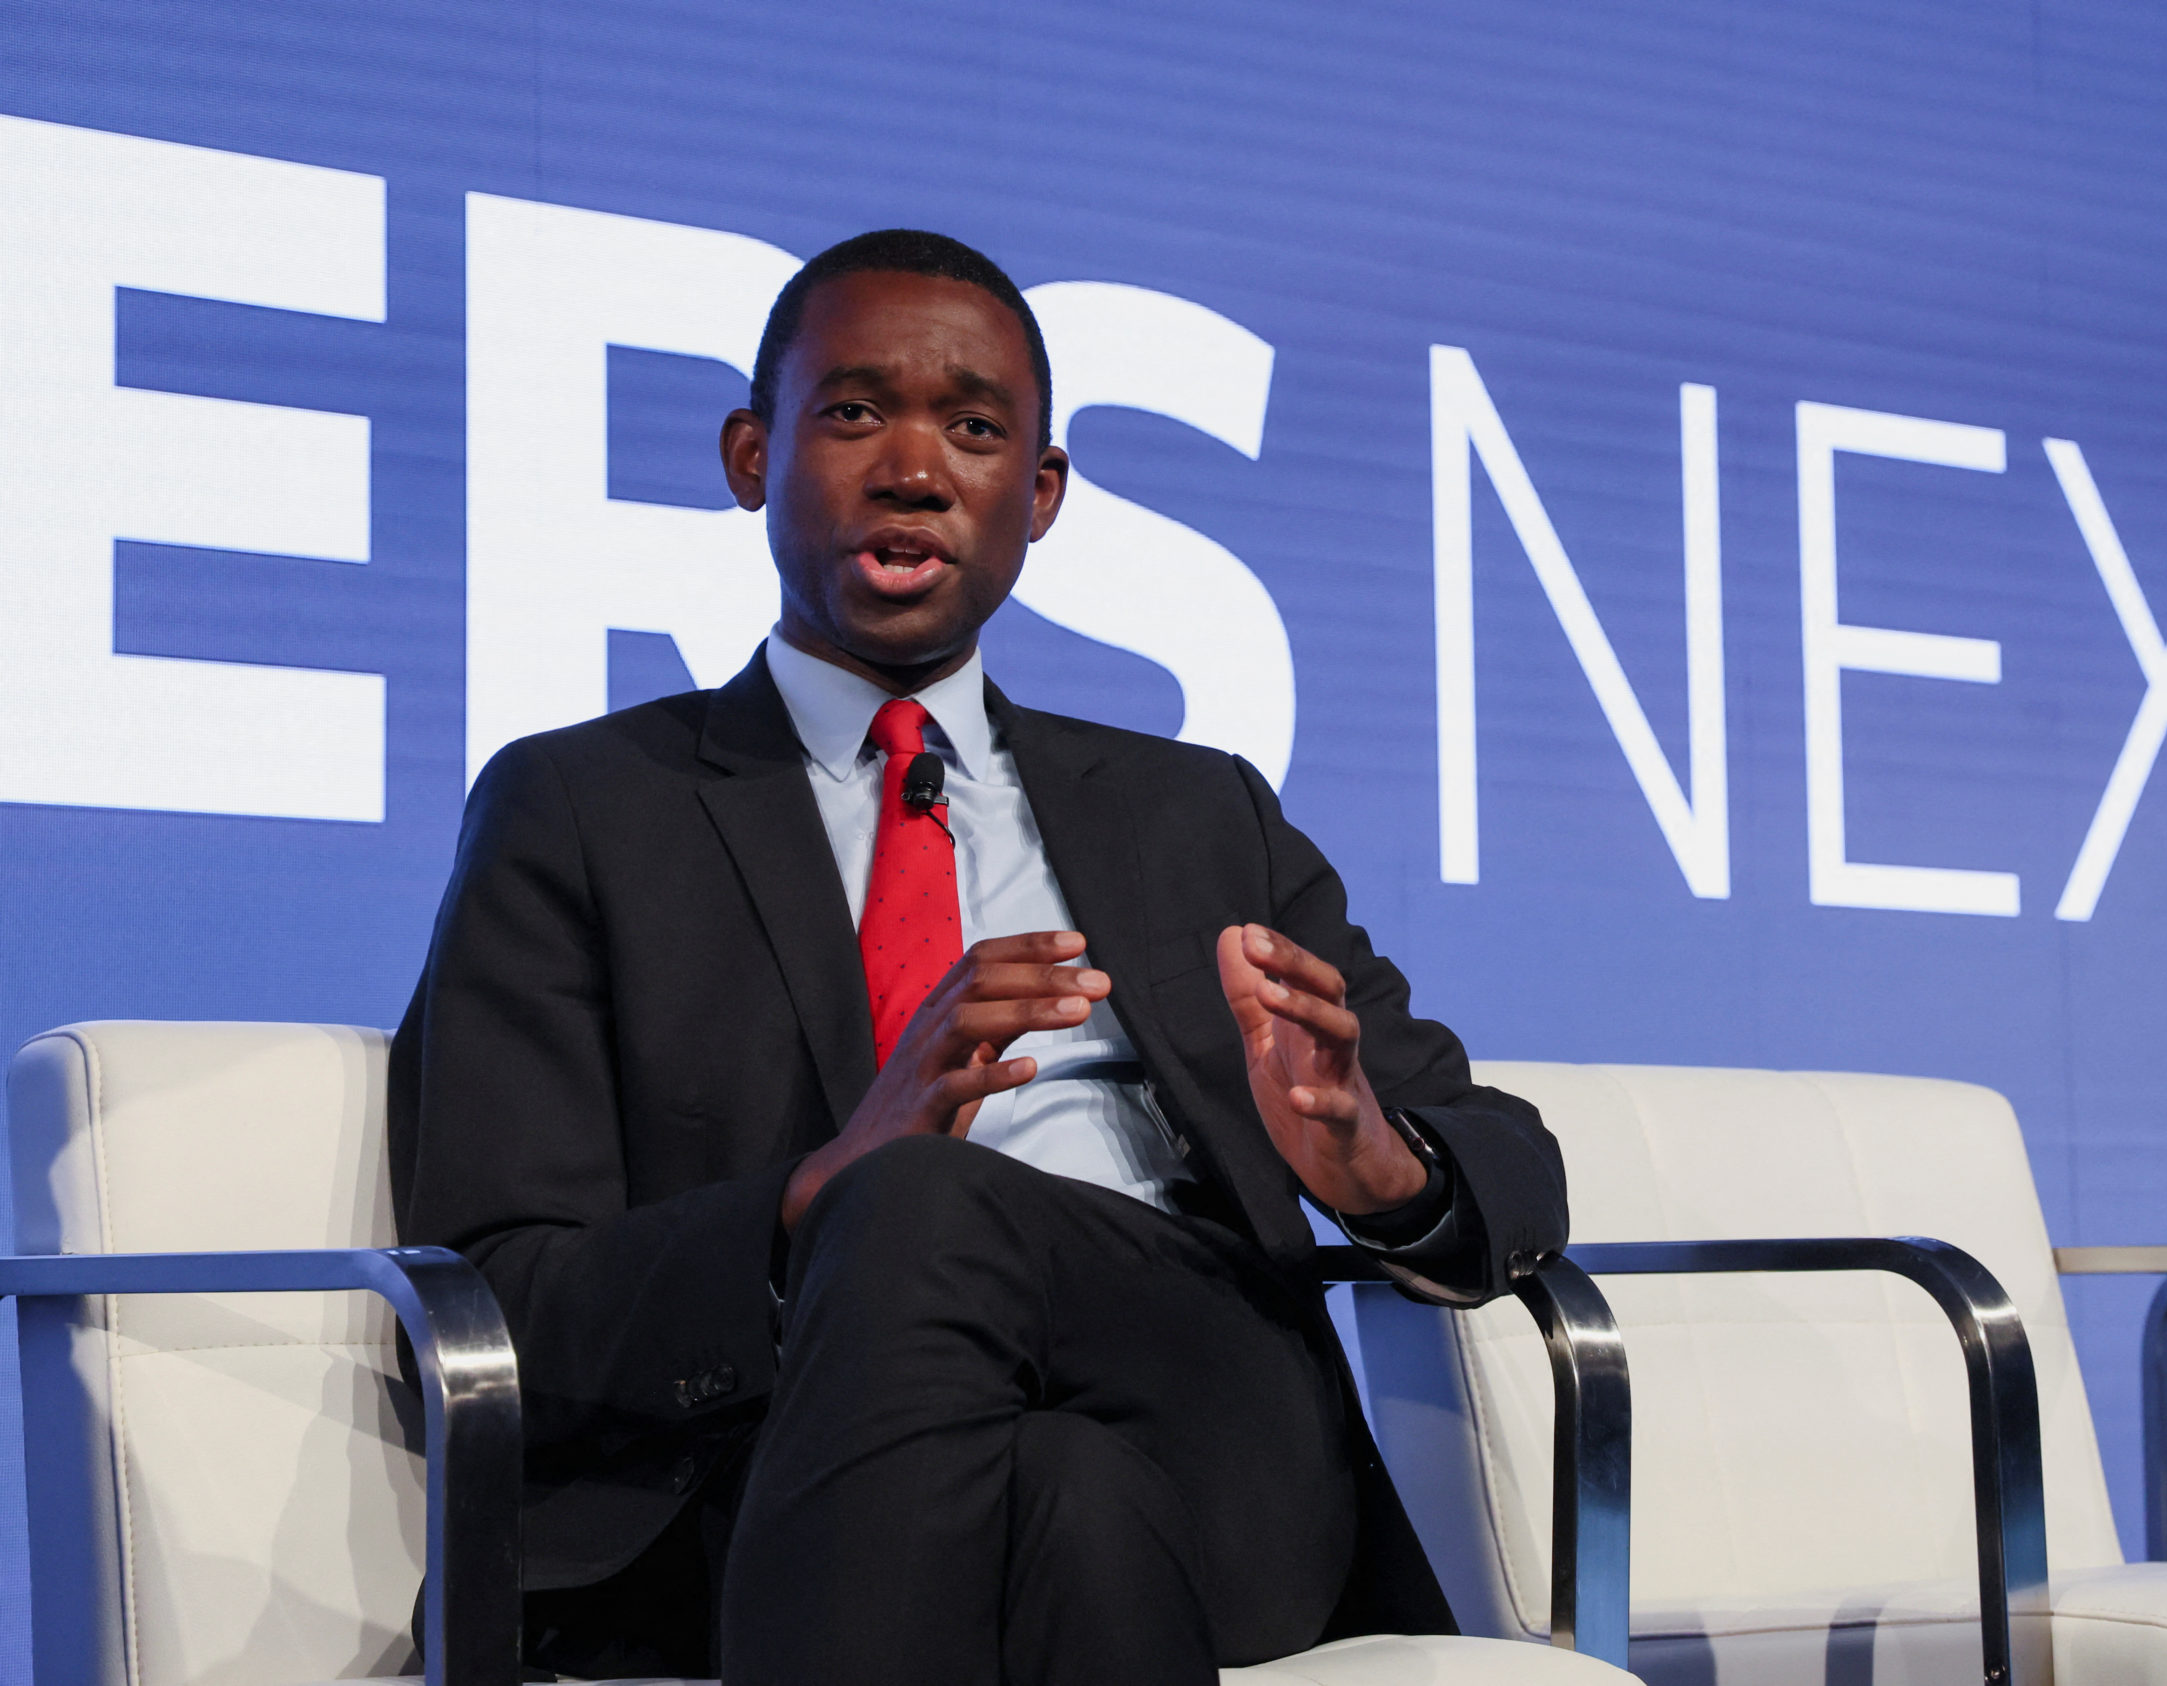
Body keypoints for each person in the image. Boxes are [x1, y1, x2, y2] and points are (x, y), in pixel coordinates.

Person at [391, 228, 1568, 1685]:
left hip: (1219, 1444)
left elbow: (1513, 1168)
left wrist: (1375, 1163)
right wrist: (807, 1196)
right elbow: (500, 1287)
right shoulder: (581, 809)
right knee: (1063, 1497)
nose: (913, 467)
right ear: (752, 455)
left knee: (927, 1209)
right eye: (853, 412)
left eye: (975, 427)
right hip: (778, 1482)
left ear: (1043, 493)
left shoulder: (1195, 816)